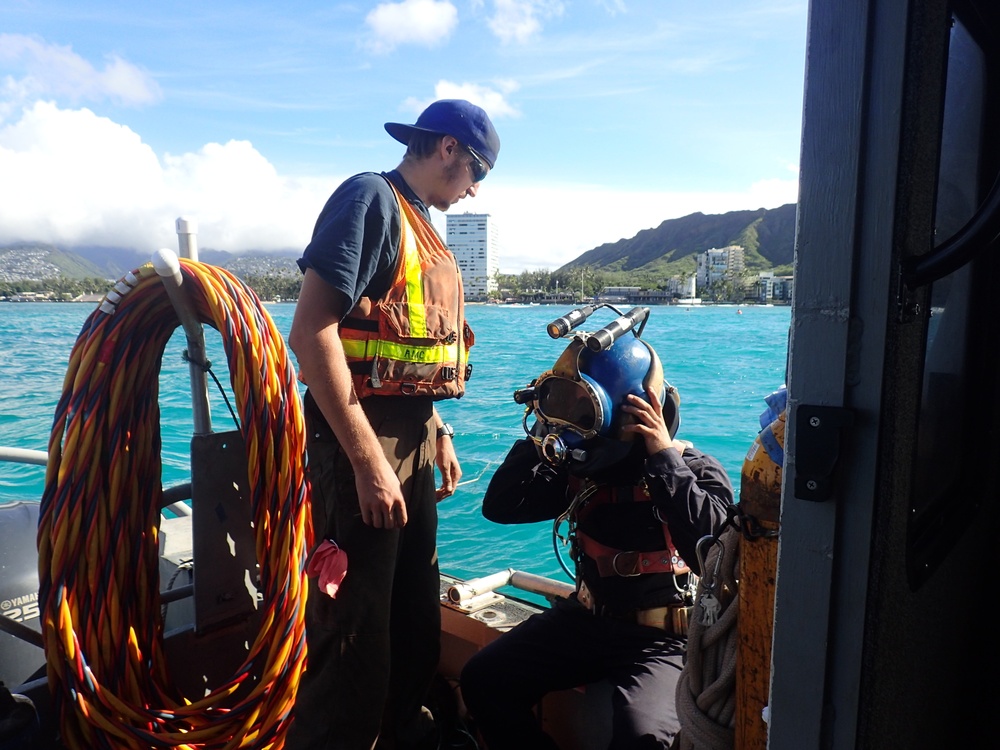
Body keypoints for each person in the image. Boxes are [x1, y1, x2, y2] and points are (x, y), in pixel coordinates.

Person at [285, 99, 500, 750]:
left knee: (412, 621)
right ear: (447, 149)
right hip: (359, 439)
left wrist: (439, 432)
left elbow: (407, 350)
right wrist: (364, 461)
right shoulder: (369, 201)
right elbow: (310, 331)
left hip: (412, 440)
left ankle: (406, 733)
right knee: (353, 634)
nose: (475, 189)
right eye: (478, 171)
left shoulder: (422, 226)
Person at [459, 320, 735, 749]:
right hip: (585, 621)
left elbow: (716, 556)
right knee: (484, 680)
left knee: (642, 735)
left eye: (579, 405)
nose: (568, 417)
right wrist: (540, 430)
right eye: (562, 400)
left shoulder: (692, 469)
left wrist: (663, 457)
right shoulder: (581, 467)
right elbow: (502, 507)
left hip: (661, 638)